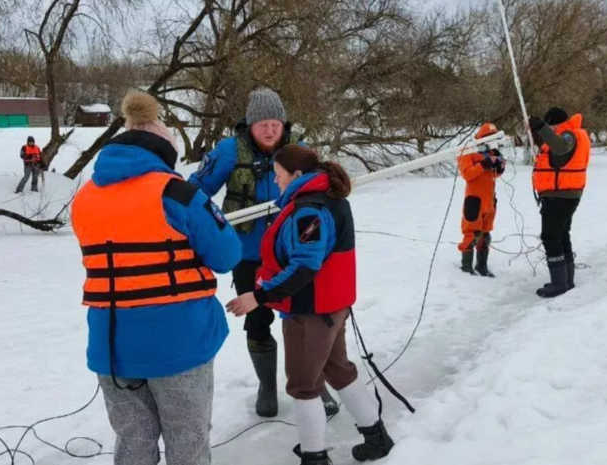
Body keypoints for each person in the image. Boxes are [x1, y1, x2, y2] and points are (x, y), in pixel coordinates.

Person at [71, 90, 242, 465]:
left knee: (133, 441)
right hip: (178, 343)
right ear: (163, 151)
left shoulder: (84, 198)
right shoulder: (178, 193)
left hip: (111, 345)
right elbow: (227, 255)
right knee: (188, 441)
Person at [227, 145, 394, 465]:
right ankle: (377, 437)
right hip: (330, 308)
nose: (275, 182)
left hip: (311, 312)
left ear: (297, 175)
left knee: (304, 385)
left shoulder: (310, 211)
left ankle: (314, 456)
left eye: (278, 176)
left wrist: (258, 296)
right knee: (338, 370)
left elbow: (305, 267)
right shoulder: (326, 199)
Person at [189, 87, 338, 418]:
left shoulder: (300, 153)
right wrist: (209, 225)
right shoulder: (229, 151)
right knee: (257, 319)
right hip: (247, 254)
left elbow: (324, 190)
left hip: (294, 252)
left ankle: (314, 383)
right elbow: (194, 191)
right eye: (263, 125)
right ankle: (267, 386)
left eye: (276, 124)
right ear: (250, 125)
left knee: (303, 321)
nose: (270, 131)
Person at [529, 107, 591, 298]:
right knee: (562, 234)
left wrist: (541, 127)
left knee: (550, 237)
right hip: (564, 195)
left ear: (554, 123)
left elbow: (560, 147)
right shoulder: (575, 134)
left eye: (549, 126)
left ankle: (559, 284)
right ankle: (566, 280)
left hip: (560, 196)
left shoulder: (569, 135)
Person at [458, 123, 506, 277]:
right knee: (472, 234)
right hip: (474, 200)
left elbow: (493, 175)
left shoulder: (492, 151)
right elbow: (467, 174)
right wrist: (484, 164)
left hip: (490, 201)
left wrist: (499, 167)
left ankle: (482, 266)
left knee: (486, 235)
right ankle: (466, 268)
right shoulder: (469, 151)